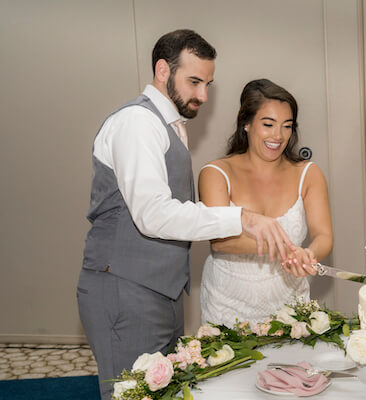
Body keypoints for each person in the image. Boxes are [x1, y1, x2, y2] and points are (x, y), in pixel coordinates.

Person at [77, 31, 294, 400]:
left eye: (208, 84)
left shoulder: (170, 125)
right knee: (133, 394)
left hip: (158, 292)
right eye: (194, 82)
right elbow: (153, 215)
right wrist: (242, 218)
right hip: (125, 290)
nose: (203, 96)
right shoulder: (138, 123)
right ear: (163, 70)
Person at [198, 79, 333, 327]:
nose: (278, 136)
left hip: (289, 306)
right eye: (268, 124)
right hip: (227, 308)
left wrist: (309, 254)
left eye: (287, 126)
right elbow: (220, 242)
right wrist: (287, 250)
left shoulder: (309, 174)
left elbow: (324, 235)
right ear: (246, 124)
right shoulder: (215, 173)